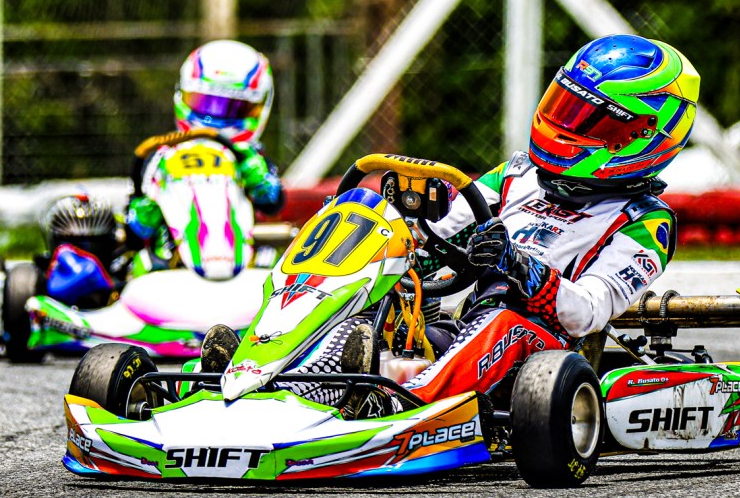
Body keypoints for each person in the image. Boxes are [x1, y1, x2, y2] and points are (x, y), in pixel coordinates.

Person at [232, 33, 699, 407]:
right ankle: (272, 375)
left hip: (541, 351)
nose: (564, 127)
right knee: (380, 283)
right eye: (565, 108)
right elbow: (439, 229)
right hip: (462, 326)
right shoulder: (521, 174)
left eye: (587, 121)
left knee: (502, 321)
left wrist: (519, 265)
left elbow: (587, 311)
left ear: (642, 136)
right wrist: (393, 242)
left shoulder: (645, 223)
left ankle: (395, 408)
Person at [123, 39, 285, 275]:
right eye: (204, 102)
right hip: (174, 265)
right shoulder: (161, 155)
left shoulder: (250, 158)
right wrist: (143, 216)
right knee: (142, 265)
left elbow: (273, 204)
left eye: (232, 108)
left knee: (274, 262)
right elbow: (132, 235)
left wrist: (260, 182)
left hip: (242, 265)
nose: (215, 118)